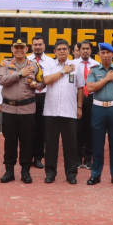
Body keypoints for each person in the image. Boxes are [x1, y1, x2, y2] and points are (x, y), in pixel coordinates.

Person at [0, 38, 45, 183]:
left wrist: (36, 85)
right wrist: (20, 74)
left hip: (27, 110)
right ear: (12, 49)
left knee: (27, 141)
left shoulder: (34, 65)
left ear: (26, 49)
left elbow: (42, 82)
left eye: (22, 48)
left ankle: (25, 171)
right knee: (10, 141)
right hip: (10, 109)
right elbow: (2, 80)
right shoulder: (5, 64)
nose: (19, 50)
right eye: (16, 47)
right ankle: (9, 171)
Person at [84, 42, 113, 186]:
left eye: (108, 53)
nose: (105, 55)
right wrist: (107, 79)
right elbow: (90, 88)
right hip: (98, 109)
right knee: (97, 144)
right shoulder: (93, 70)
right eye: (102, 53)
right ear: (99, 55)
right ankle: (95, 174)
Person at [41, 39, 83, 184]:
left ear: (69, 50)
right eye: (59, 49)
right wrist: (63, 71)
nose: (62, 51)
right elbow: (46, 80)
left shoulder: (76, 66)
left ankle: (71, 174)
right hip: (51, 111)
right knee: (50, 145)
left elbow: (80, 87)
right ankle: (50, 173)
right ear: (54, 51)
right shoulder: (49, 65)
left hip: (69, 111)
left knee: (70, 145)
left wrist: (79, 107)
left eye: (64, 49)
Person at [29, 36, 56, 169]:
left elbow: (52, 79)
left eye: (40, 44)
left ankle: (38, 157)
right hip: (29, 97)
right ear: (32, 46)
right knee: (28, 128)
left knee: (41, 128)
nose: (38, 47)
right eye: (35, 45)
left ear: (44, 46)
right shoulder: (26, 60)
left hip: (45, 97)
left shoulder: (51, 62)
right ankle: (27, 156)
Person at [73, 40, 99, 169]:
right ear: (78, 50)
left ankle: (88, 158)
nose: (85, 51)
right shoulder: (72, 64)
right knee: (77, 130)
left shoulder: (96, 65)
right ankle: (78, 158)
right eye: (82, 49)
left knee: (90, 129)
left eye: (87, 49)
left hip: (91, 98)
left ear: (91, 50)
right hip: (76, 99)